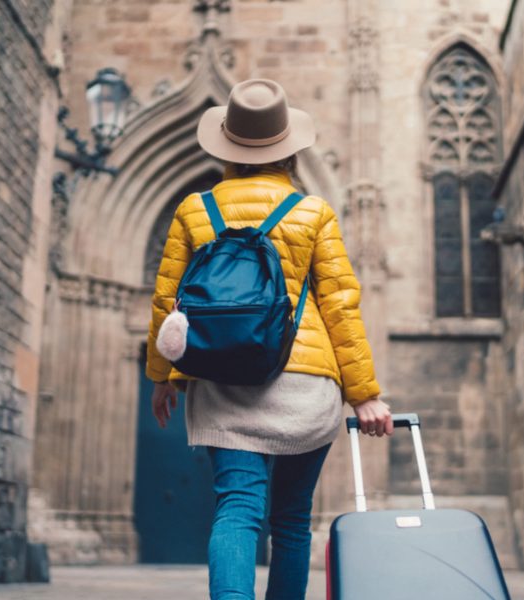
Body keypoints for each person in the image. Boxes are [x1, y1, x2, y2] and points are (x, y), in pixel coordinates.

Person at [144, 78, 392, 600]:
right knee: (292, 521)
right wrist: (364, 393)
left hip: (221, 379)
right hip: (305, 385)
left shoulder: (195, 210)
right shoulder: (312, 212)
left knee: (237, 510)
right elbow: (340, 307)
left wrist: (163, 376)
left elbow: (167, 301)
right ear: (288, 151)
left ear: (227, 149)